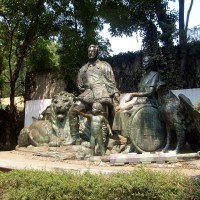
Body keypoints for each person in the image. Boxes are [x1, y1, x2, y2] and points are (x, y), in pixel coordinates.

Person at [68, 44, 120, 144]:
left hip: (101, 93)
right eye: (89, 51)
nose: (90, 53)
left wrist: (115, 92)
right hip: (88, 93)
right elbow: (80, 85)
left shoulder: (104, 65)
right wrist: (85, 90)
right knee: (72, 111)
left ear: (97, 52)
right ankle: (75, 138)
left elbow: (111, 81)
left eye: (93, 51)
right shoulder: (83, 68)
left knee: (102, 116)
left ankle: (102, 143)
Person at [112, 55, 162, 137]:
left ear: (151, 63)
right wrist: (131, 101)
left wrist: (133, 94)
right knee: (119, 113)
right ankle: (123, 136)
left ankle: (130, 139)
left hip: (149, 103)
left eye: (146, 61)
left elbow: (150, 92)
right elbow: (140, 92)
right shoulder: (144, 77)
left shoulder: (155, 75)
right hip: (138, 102)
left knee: (125, 114)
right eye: (143, 61)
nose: (144, 63)